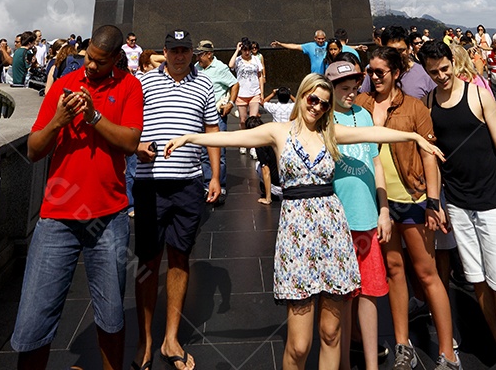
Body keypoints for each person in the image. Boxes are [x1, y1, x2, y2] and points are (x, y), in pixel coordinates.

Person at [166, 72, 443, 370]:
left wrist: (413, 136)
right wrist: (192, 137)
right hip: (296, 234)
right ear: (302, 95)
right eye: (313, 99)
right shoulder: (278, 132)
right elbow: (232, 138)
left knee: (331, 331)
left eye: (324, 104)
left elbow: (374, 134)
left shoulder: (331, 132)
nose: (317, 107)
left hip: (333, 230)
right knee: (299, 345)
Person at [9, 25, 142, 370]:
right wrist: (58, 121)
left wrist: (93, 116)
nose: (91, 67)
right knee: (35, 315)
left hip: (108, 216)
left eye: (99, 62)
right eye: (88, 59)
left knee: (111, 314)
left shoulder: (129, 86)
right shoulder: (65, 86)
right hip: (58, 214)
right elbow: (34, 150)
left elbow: (129, 142)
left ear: (116, 59)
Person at [420, 41, 496, 370]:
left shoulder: (479, 95)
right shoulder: (428, 103)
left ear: (453, 62)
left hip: (493, 203)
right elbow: (434, 159)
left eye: (444, 68)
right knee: (478, 281)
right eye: (433, 72)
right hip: (457, 206)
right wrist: (436, 202)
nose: (441, 76)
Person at [356, 47, 459, 370]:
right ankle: (403, 344)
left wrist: (433, 201)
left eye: (380, 72)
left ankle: (448, 351)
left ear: (396, 73)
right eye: (369, 72)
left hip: (412, 198)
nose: (373, 78)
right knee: (394, 272)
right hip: (379, 202)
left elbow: (430, 156)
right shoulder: (361, 104)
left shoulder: (414, 108)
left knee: (427, 274)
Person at [132, 30, 220, 370]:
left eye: (185, 50)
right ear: (165, 51)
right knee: (147, 262)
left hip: (188, 184)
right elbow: (131, 125)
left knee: (180, 258)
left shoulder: (205, 85)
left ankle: (170, 338)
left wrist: (214, 176)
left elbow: (212, 130)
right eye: (174, 49)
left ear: (192, 52)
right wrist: (137, 147)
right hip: (149, 183)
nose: (180, 55)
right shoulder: (144, 82)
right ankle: (145, 339)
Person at [325, 61, 390, 370]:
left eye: (354, 87)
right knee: (344, 296)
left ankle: (371, 364)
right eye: (343, 88)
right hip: (339, 220)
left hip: (367, 216)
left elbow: (376, 164)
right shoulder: (323, 120)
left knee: (371, 291)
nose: (351, 94)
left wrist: (384, 209)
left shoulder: (363, 115)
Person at [194, 39, 238, 199]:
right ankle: (207, 184)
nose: (198, 58)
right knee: (204, 153)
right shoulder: (196, 68)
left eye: (200, 54)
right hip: (200, 115)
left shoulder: (221, 68)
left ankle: (221, 184)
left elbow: (234, 84)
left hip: (217, 115)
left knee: (219, 152)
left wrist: (231, 103)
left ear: (209, 54)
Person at [229, 38, 264, 128]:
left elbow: (260, 76)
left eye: (249, 50)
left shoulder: (256, 59)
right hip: (241, 93)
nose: (247, 52)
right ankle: (244, 137)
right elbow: (230, 65)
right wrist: (237, 50)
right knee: (243, 120)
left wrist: (262, 93)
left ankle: (253, 139)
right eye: (245, 50)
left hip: (254, 92)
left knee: (254, 119)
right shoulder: (238, 60)